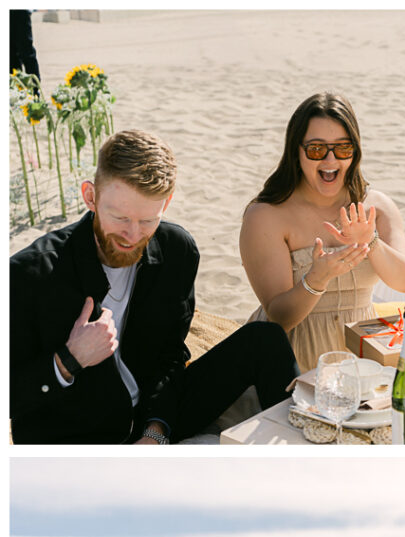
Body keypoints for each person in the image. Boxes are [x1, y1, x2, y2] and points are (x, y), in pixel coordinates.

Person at [10, 129, 298, 444]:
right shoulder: (29, 274)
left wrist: (155, 431)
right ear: (90, 196)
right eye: (119, 217)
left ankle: (299, 461)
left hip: (153, 415)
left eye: (148, 221)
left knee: (266, 340)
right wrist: (67, 361)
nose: (133, 236)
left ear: (167, 203)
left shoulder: (178, 250)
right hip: (76, 433)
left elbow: (170, 358)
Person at [240, 93, 405, 372]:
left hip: (363, 354)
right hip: (290, 358)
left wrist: (371, 241)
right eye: (316, 149)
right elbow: (279, 318)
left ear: (355, 152)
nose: (330, 159)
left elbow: (404, 282)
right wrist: (316, 280)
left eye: (343, 148)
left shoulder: (377, 206)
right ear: (296, 152)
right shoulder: (265, 216)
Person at [10, 10, 40, 80]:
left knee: (26, 51)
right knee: (10, 55)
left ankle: (34, 87)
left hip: (19, 12)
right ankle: (15, 87)